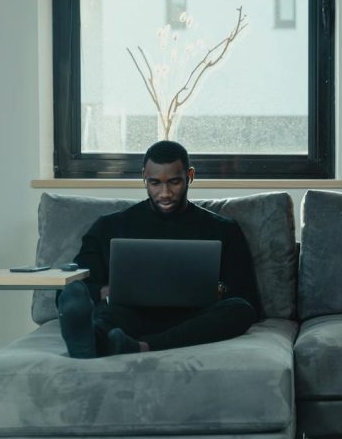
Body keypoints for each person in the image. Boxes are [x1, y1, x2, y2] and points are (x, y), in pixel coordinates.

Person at [57, 140, 261, 358]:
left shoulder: (223, 229)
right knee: (105, 312)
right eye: (155, 183)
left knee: (240, 310)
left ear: (190, 176)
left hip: (192, 318)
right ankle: (91, 339)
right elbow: (70, 290)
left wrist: (217, 290)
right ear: (144, 176)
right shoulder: (110, 227)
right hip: (132, 315)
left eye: (174, 182)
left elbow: (248, 299)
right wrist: (102, 291)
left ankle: (138, 346)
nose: (165, 193)